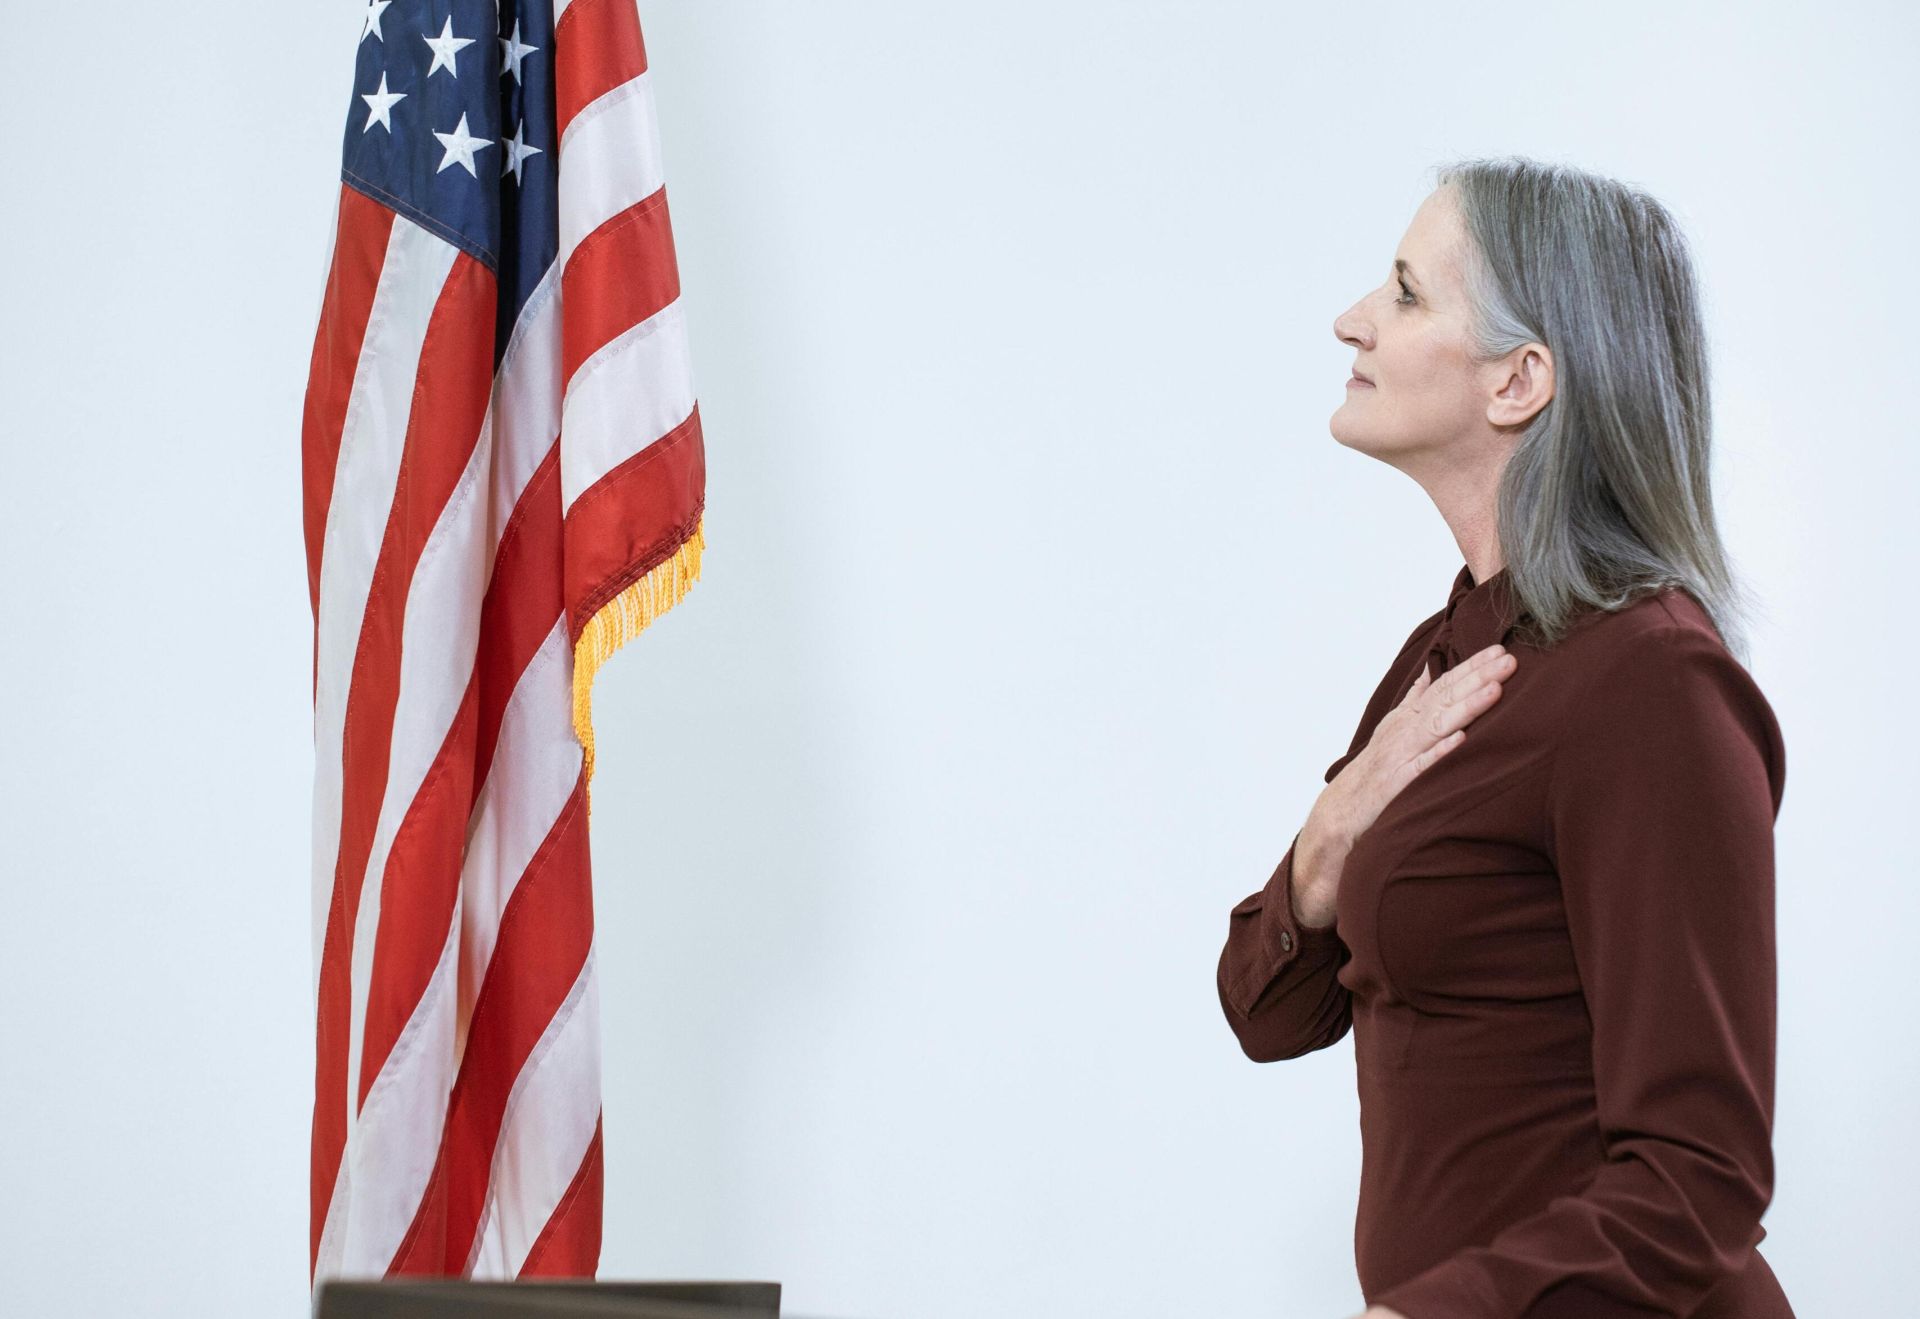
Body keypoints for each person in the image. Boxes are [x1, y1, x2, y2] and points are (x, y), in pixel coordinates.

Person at [1216, 157, 1795, 1319]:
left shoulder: (1651, 683)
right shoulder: (1456, 649)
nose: (1353, 319)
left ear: (1520, 380)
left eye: (1407, 292)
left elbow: (1703, 1179)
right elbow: (1268, 1010)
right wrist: (1323, 839)